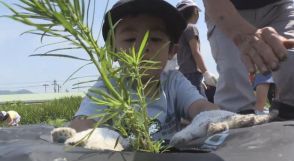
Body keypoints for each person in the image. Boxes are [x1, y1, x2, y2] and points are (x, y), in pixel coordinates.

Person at [69, 0, 220, 141]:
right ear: (112, 51)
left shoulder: (173, 82)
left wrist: (217, 117)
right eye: (130, 39)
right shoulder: (109, 86)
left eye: (155, 39)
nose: (141, 47)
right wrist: (89, 136)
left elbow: (200, 107)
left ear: (172, 51)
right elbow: (82, 123)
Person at [204, 0, 294, 117]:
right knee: (233, 72)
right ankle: (235, 119)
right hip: (225, 9)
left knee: (291, 62)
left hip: (278, 8)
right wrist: (240, 33)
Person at [176, 0, 217, 95]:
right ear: (195, 11)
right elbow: (196, 52)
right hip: (193, 73)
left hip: (183, 73)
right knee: (200, 104)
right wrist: (206, 73)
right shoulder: (191, 28)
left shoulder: (179, 31)